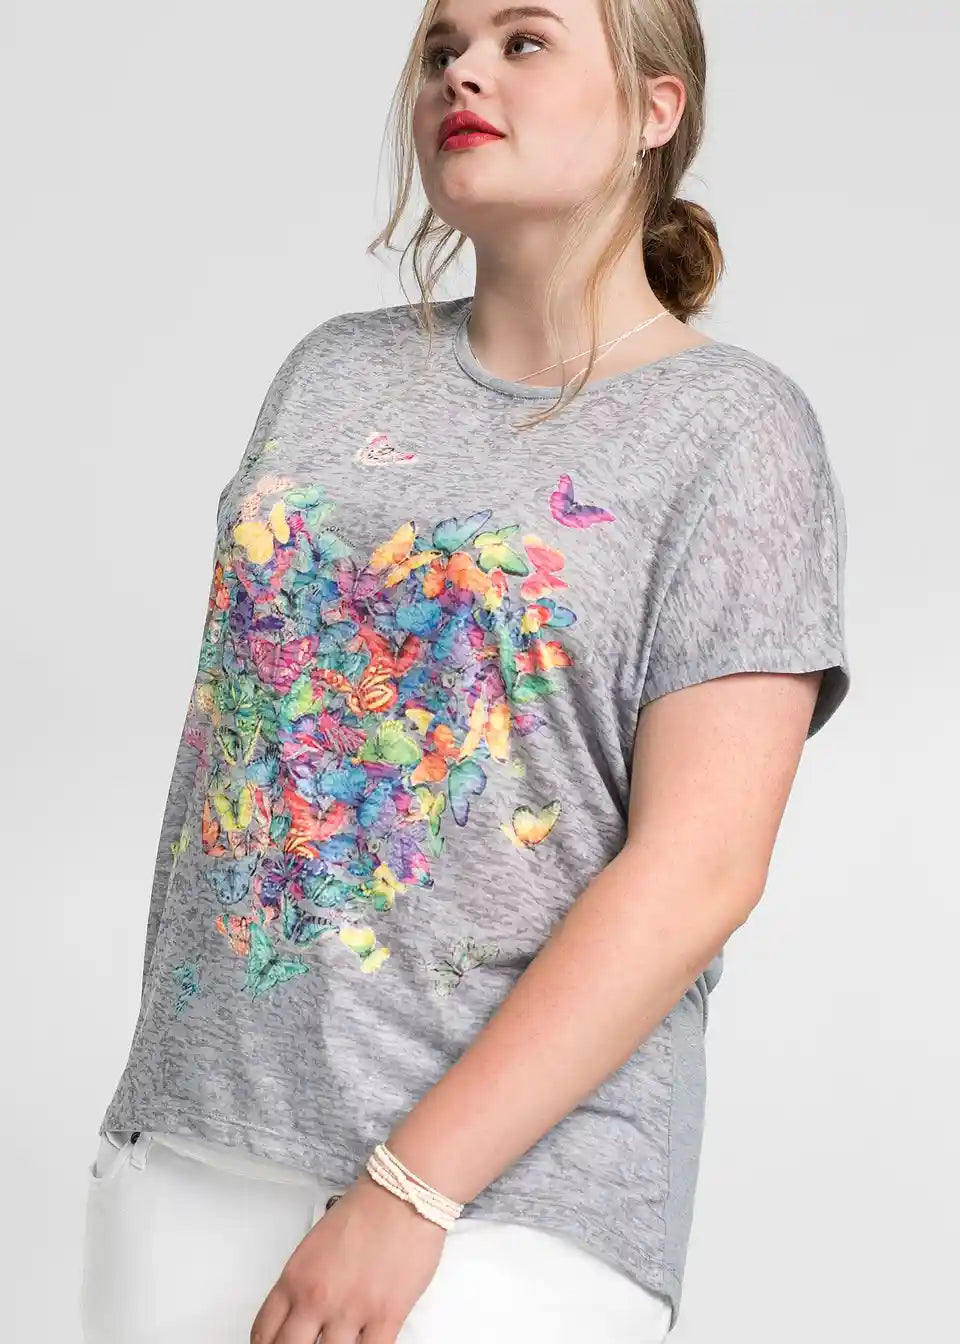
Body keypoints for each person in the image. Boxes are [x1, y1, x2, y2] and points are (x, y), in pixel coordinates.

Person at [80, 1, 853, 1341]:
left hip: (502, 1206)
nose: (466, 73)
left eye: (524, 40)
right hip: (192, 1146)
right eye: (445, 49)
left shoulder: (735, 431)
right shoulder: (332, 372)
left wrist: (408, 1191)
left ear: (655, 108)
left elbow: (700, 870)